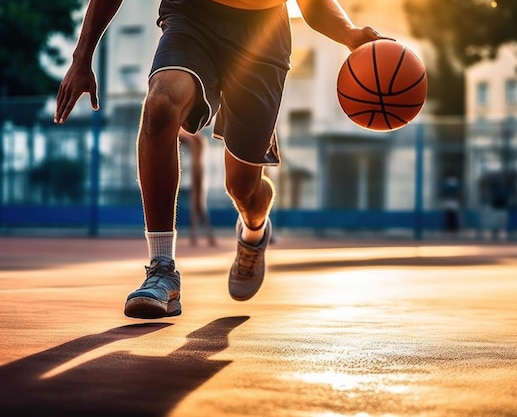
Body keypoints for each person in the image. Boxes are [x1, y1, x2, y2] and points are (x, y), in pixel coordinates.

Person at [54, 0, 384, 318]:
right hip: (192, 16)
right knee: (160, 105)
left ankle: (254, 230)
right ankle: (162, 269)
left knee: (242, 187)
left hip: (263, 34)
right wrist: (82, 57)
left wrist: (349, 33)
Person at [178, 128, 217, 247]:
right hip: (198, 170)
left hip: (198, 171)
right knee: (197, 203)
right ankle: (201, 234)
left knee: (198, 203)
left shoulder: (194, 138)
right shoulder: (193, 139)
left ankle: (198, 233)